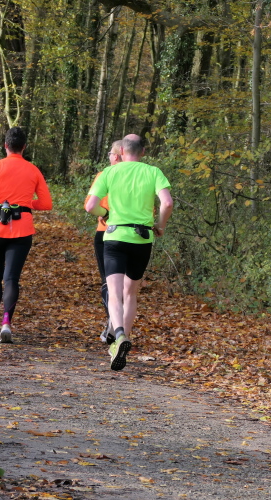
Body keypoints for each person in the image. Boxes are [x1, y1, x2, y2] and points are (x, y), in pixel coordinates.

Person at [85, 134, 173, 371]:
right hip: (142, 238)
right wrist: (161, 225)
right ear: (143, 152)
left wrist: (104, 214)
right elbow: (167, 203)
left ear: (121, 151)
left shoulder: (109, 172)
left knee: (114, 293)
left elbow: (90, 206)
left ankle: (119, 336)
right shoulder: (153, 172)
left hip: (115, 237)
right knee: (130, 293)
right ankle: (122, 340)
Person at [0, 127, 52, 344]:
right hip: (22, 229)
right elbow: (46, 203)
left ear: (5, 145)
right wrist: (25, 204)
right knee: (11, 279)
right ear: (24, 147)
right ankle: (7, 322)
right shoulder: (33, 170)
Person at [86, 140, 122, 344]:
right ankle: (120, 328)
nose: (108, 156)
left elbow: (90, 204)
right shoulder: (141, 175)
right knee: (127, 285)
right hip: (136, 234)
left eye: (110, 153)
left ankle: (112, 324)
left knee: (108, 281)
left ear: (116, 156)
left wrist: (105, 212)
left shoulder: (104, 175)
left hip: (106, 232)